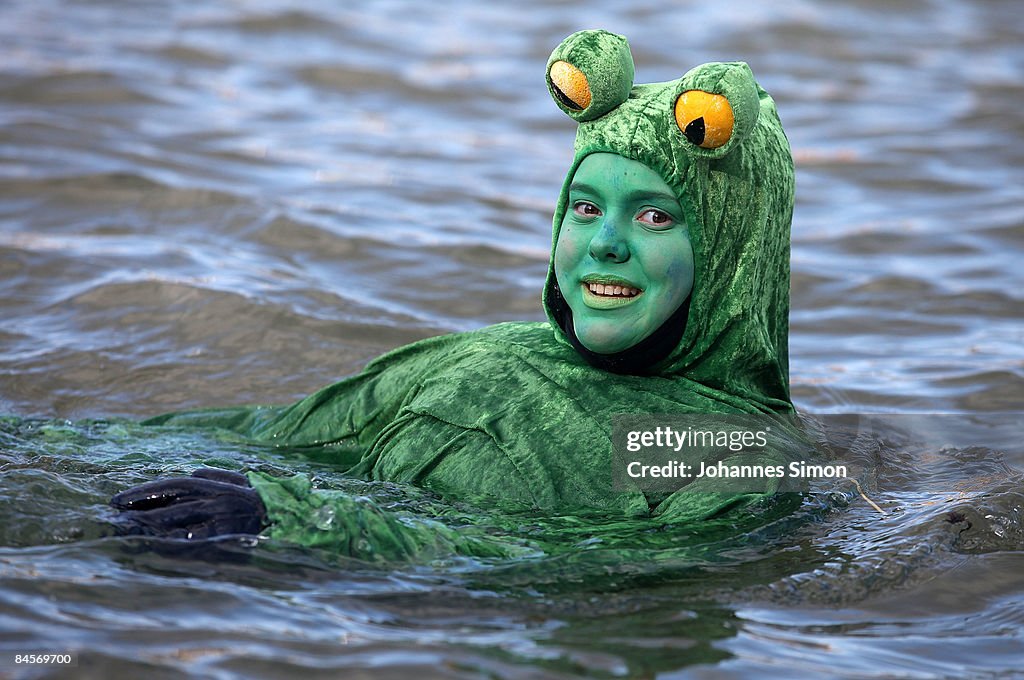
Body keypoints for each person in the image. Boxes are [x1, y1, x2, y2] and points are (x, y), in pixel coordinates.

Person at [111, 29, 798, 562]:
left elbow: (589, 570)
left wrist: (296, 524)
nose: (605, 245)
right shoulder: (483, 359)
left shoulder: (738, 454)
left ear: (734, 253)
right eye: (585, 209)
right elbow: (271, 436)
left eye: (654, 217)